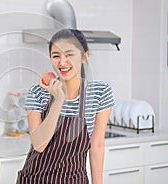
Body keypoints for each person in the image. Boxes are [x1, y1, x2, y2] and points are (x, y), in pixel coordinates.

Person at [16, 29, 114, 184]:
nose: (62, 62)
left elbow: (97, 145)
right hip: (36, 180)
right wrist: (59, 99)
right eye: (56, 56)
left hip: (75, 180)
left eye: (69, 54)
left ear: (84, 57)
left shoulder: (100, 93)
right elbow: (39, 145)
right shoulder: (37, 93)